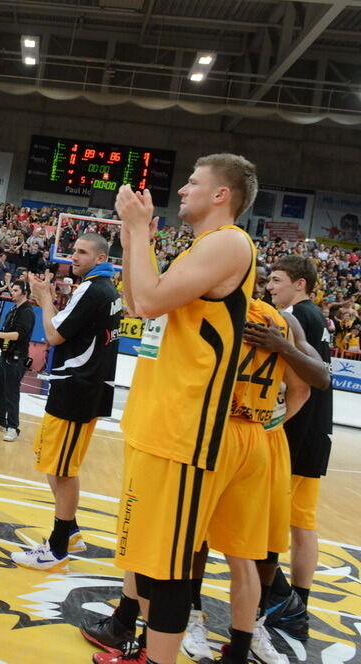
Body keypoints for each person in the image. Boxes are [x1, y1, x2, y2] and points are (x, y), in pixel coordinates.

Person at [93, 155, 258, 664]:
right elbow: (136, 303)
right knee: (147, 560)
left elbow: (149, 298)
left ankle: (156, 658)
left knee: (168, 568)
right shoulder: (203, 247)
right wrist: (128, 236)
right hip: (159, 420)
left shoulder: (229, 242)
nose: (182, 189)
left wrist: (140, 229)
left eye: (193, 182)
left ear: (221, 195)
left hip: (186, 427)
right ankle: (142, 646)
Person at [174, 263, 330, 664]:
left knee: (264, 545)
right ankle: (191, 615)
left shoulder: (285, 323)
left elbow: (316, 381)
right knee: (200, 536)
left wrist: (283, 350)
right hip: (216, 432)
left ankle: (254, 624)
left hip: (261, 437)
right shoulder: (214, 310)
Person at [12, 233, 121, 570]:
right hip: (80, 386)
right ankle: (70, 530)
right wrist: (51, 304)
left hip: (78, 388)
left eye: (82, 252)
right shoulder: (103, 290)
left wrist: (44, 297)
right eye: (74, 251)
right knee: (52, 463)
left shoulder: (93, 289)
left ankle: (57, 549)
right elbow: (66, 327)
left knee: (63, 470)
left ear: (100, 258)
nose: (74, 256)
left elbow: (53, 335)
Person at [260, 254, 334, 640]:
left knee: (265, 524)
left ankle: (284, 602)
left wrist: (273, 422)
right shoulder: (316, 317)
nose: (269, 287)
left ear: (300, 284)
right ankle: (297, 604)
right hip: (317, 434)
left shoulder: (298, 316)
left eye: (276, 279)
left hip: (298, 433)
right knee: (302, 524)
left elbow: (307, 381)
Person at [0, 280, 35, 442]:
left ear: (24, 292)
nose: (11, 292)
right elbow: (7, 332)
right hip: (5, 355)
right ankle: (0, 420)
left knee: (11, 393)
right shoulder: (13, 309)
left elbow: (18, 335)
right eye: (11, 289)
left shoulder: (27, 312)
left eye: (15, 290)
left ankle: (13, 427)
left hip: (17, 358)